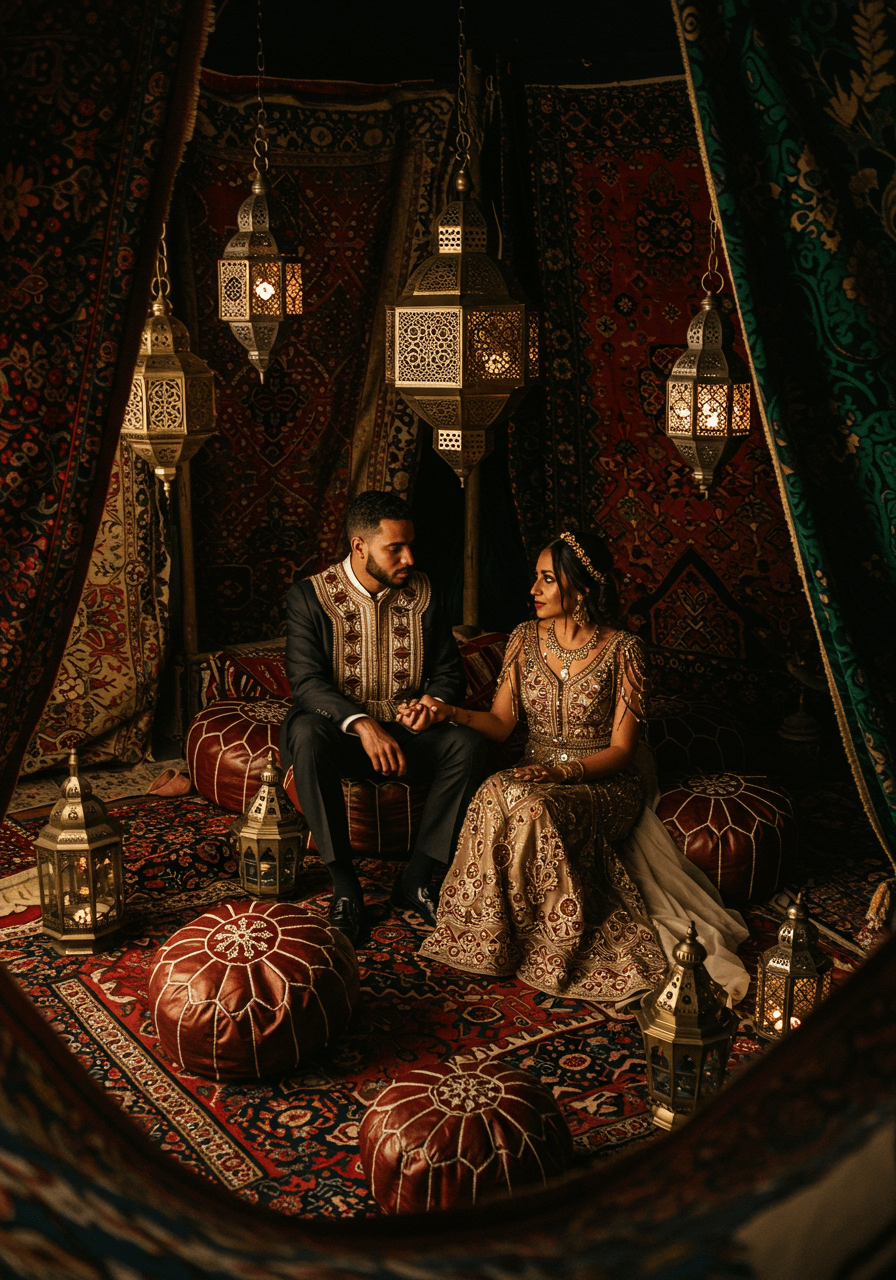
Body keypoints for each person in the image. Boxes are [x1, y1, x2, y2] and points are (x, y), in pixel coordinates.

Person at [399, 530, 749, 1006]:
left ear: (581, 589)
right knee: (492, 792)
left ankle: (551, 944)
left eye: (547, 579)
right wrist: (448, 712)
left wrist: (563, 774)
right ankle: (488, 934)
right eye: (536, 578)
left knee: (534, 810)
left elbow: (623, 750)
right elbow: (501, 724)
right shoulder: (524, 638)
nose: (534, 589)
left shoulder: (623, 650)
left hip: (604, 781)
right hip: (535, 769)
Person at [280, 490, 486, 944]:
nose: (409, 558)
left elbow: (449, 674)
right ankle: (345, 886)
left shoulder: (426, 593)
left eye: (410, 545)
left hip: (408, 735)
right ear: (359, 546)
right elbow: (306, 682)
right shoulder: (310, 596)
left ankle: (417, 878)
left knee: (467, 744)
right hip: (341, 736)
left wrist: (430, 706)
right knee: (306, 732)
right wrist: (362, 724)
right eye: (395, 548)